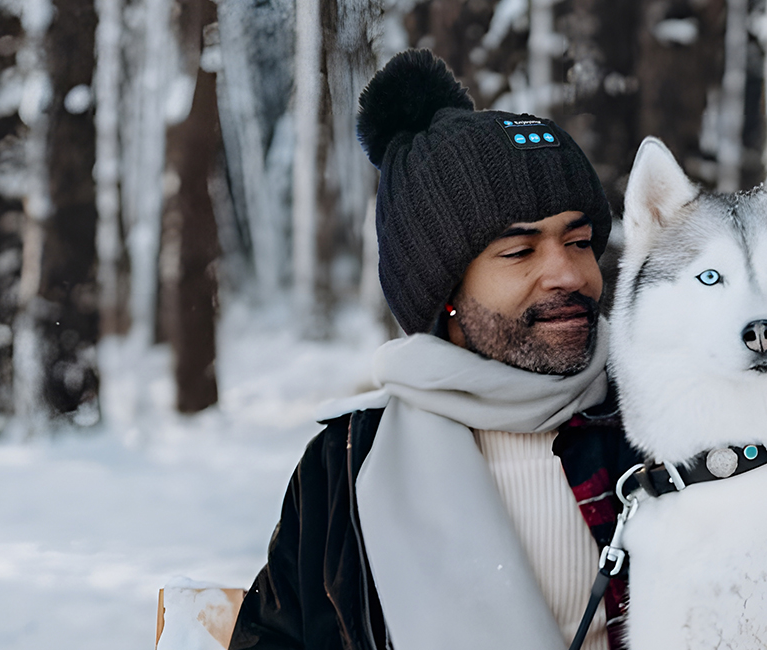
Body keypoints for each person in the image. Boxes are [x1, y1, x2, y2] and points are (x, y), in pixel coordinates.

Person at [230, 50, 639, 650]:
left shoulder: (656, 427)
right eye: (519, 252)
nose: (569, 274)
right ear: (443, 291)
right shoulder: (347, 467)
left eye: (579, 241)